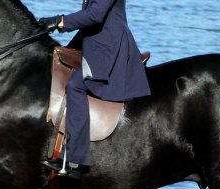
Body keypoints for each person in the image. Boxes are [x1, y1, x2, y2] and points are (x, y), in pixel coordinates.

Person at [39, 0, 150, 179]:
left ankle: (75, 161)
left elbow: (96, 14)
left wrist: (61, 21)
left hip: (108, 47)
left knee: (75, 86)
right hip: (93, 40)